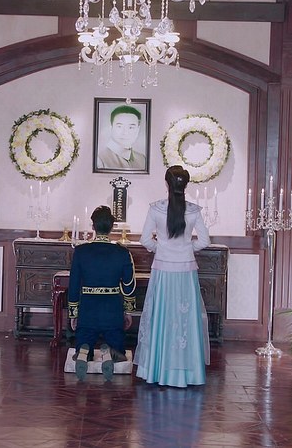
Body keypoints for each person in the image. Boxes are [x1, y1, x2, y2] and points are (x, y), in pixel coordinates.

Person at [134, 165, 211, 388]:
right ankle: (188, 373)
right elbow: (204, 241)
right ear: (185, 185)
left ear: (166, 184)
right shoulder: (194, 211)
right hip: (186, 271)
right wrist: (187, 249)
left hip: (163, 269)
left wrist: (161, 249)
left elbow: (145, 240)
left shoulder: (156, 209)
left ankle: (156, 370)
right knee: (185, 320)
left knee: (162, 318)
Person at [68, 206, 137, 381]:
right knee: (118, 346)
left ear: (93, 226)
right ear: (112, 227)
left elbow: (74, 284)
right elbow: (129, 285)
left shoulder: (81, 252)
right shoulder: (122, 253)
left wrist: (73, 314)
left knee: (84, 338)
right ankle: (110, 353)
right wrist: (128, 311)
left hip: (88, 310)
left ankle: (84, 351)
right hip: (112, 310)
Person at [96, 104, 146, 170]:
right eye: (119, 126)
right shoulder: (100, 159)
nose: (125, 132)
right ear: (111, 128)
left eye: (131, 127)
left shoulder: (142, 159)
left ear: (138, 130)